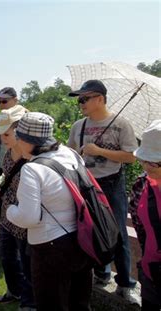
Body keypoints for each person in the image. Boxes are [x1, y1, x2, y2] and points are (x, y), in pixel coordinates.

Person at [7, 112, 93, 311]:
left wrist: (10, 209)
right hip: (82, 241)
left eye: (19, 138)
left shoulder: (33, 169)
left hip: (49, 248)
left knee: (51, 304)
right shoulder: (72, 154)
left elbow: (28, 217)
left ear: (28, 141)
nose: (17, 143)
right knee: (79, 303)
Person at [67, 79, 139, 304]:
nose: (81, 103)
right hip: (87, 184)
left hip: (112, 183)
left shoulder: (121, 124)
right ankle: (101, 273)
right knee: (92, 230)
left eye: (84, 98)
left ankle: (126, 284)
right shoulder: (78, 126)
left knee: (118, 234)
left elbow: (131, 156)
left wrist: (99, 150)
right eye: (80, 99)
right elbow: (70, 153)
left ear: (100, 98)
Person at [0, 106, 35, 310]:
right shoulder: (8, 155)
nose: (2, 138)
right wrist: (0, 183)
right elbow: (7, 176)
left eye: (6, 134)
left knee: (28, 264)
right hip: (7, 216)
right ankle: (13, 290)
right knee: (7, 257)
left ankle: (28, 303)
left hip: (26, 219)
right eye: (1, 134)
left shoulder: (33, 158)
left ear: (20, 131)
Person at [129, 120, 161, 311]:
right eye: (143, 160)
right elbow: (140, 228)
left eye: (154, 162)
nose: (146, 166)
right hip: (152, 271)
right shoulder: (141, 185)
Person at [0, 87, 19, 179]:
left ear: (15, 100)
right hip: (0, 165)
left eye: (4, 101)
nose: (1, 105)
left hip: (18, 167)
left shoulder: (24, 120)